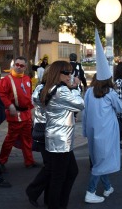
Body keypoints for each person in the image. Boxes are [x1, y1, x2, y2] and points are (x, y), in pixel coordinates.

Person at [83, 29, 122, 204]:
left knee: (99, 159)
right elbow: (120, 109)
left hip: (92, 130)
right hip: (106, 131)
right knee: (101, 162)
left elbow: (84, 112)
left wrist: (84, 131)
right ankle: (90, 191)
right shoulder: (111, 93)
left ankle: (107, 187)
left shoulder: (89, 92)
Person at [39, 60, 84, 209]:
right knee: (60, 177)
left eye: (70, 72)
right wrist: (76, 87)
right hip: (61, 140)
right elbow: (80, 104)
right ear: (57, 73)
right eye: (66, 72)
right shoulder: (61, 90)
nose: (69, 75)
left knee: (70, 172)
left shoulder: (50, 88)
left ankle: (58, 204)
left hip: (57, 138)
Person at [0, 56, 36, 171]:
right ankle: (1, 161)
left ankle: (29, 161)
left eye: (21, 65)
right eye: (17, 65)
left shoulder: (27, 79)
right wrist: (9, 105)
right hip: (15, 115)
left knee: (27, 139)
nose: (18, 67)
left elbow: (29, 96)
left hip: (26, 114)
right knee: (10, 139)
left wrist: (32, 110)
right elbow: (1, 94)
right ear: (13, 65)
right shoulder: (6, 80)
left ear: (25, 67)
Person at [26, 67, 50, 207]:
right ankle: (33, 191)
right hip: (44, 131)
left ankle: (47, 196)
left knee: (52, 166)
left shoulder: (46, 88)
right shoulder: (43, 88)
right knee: (51, 166)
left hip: (48, 131)